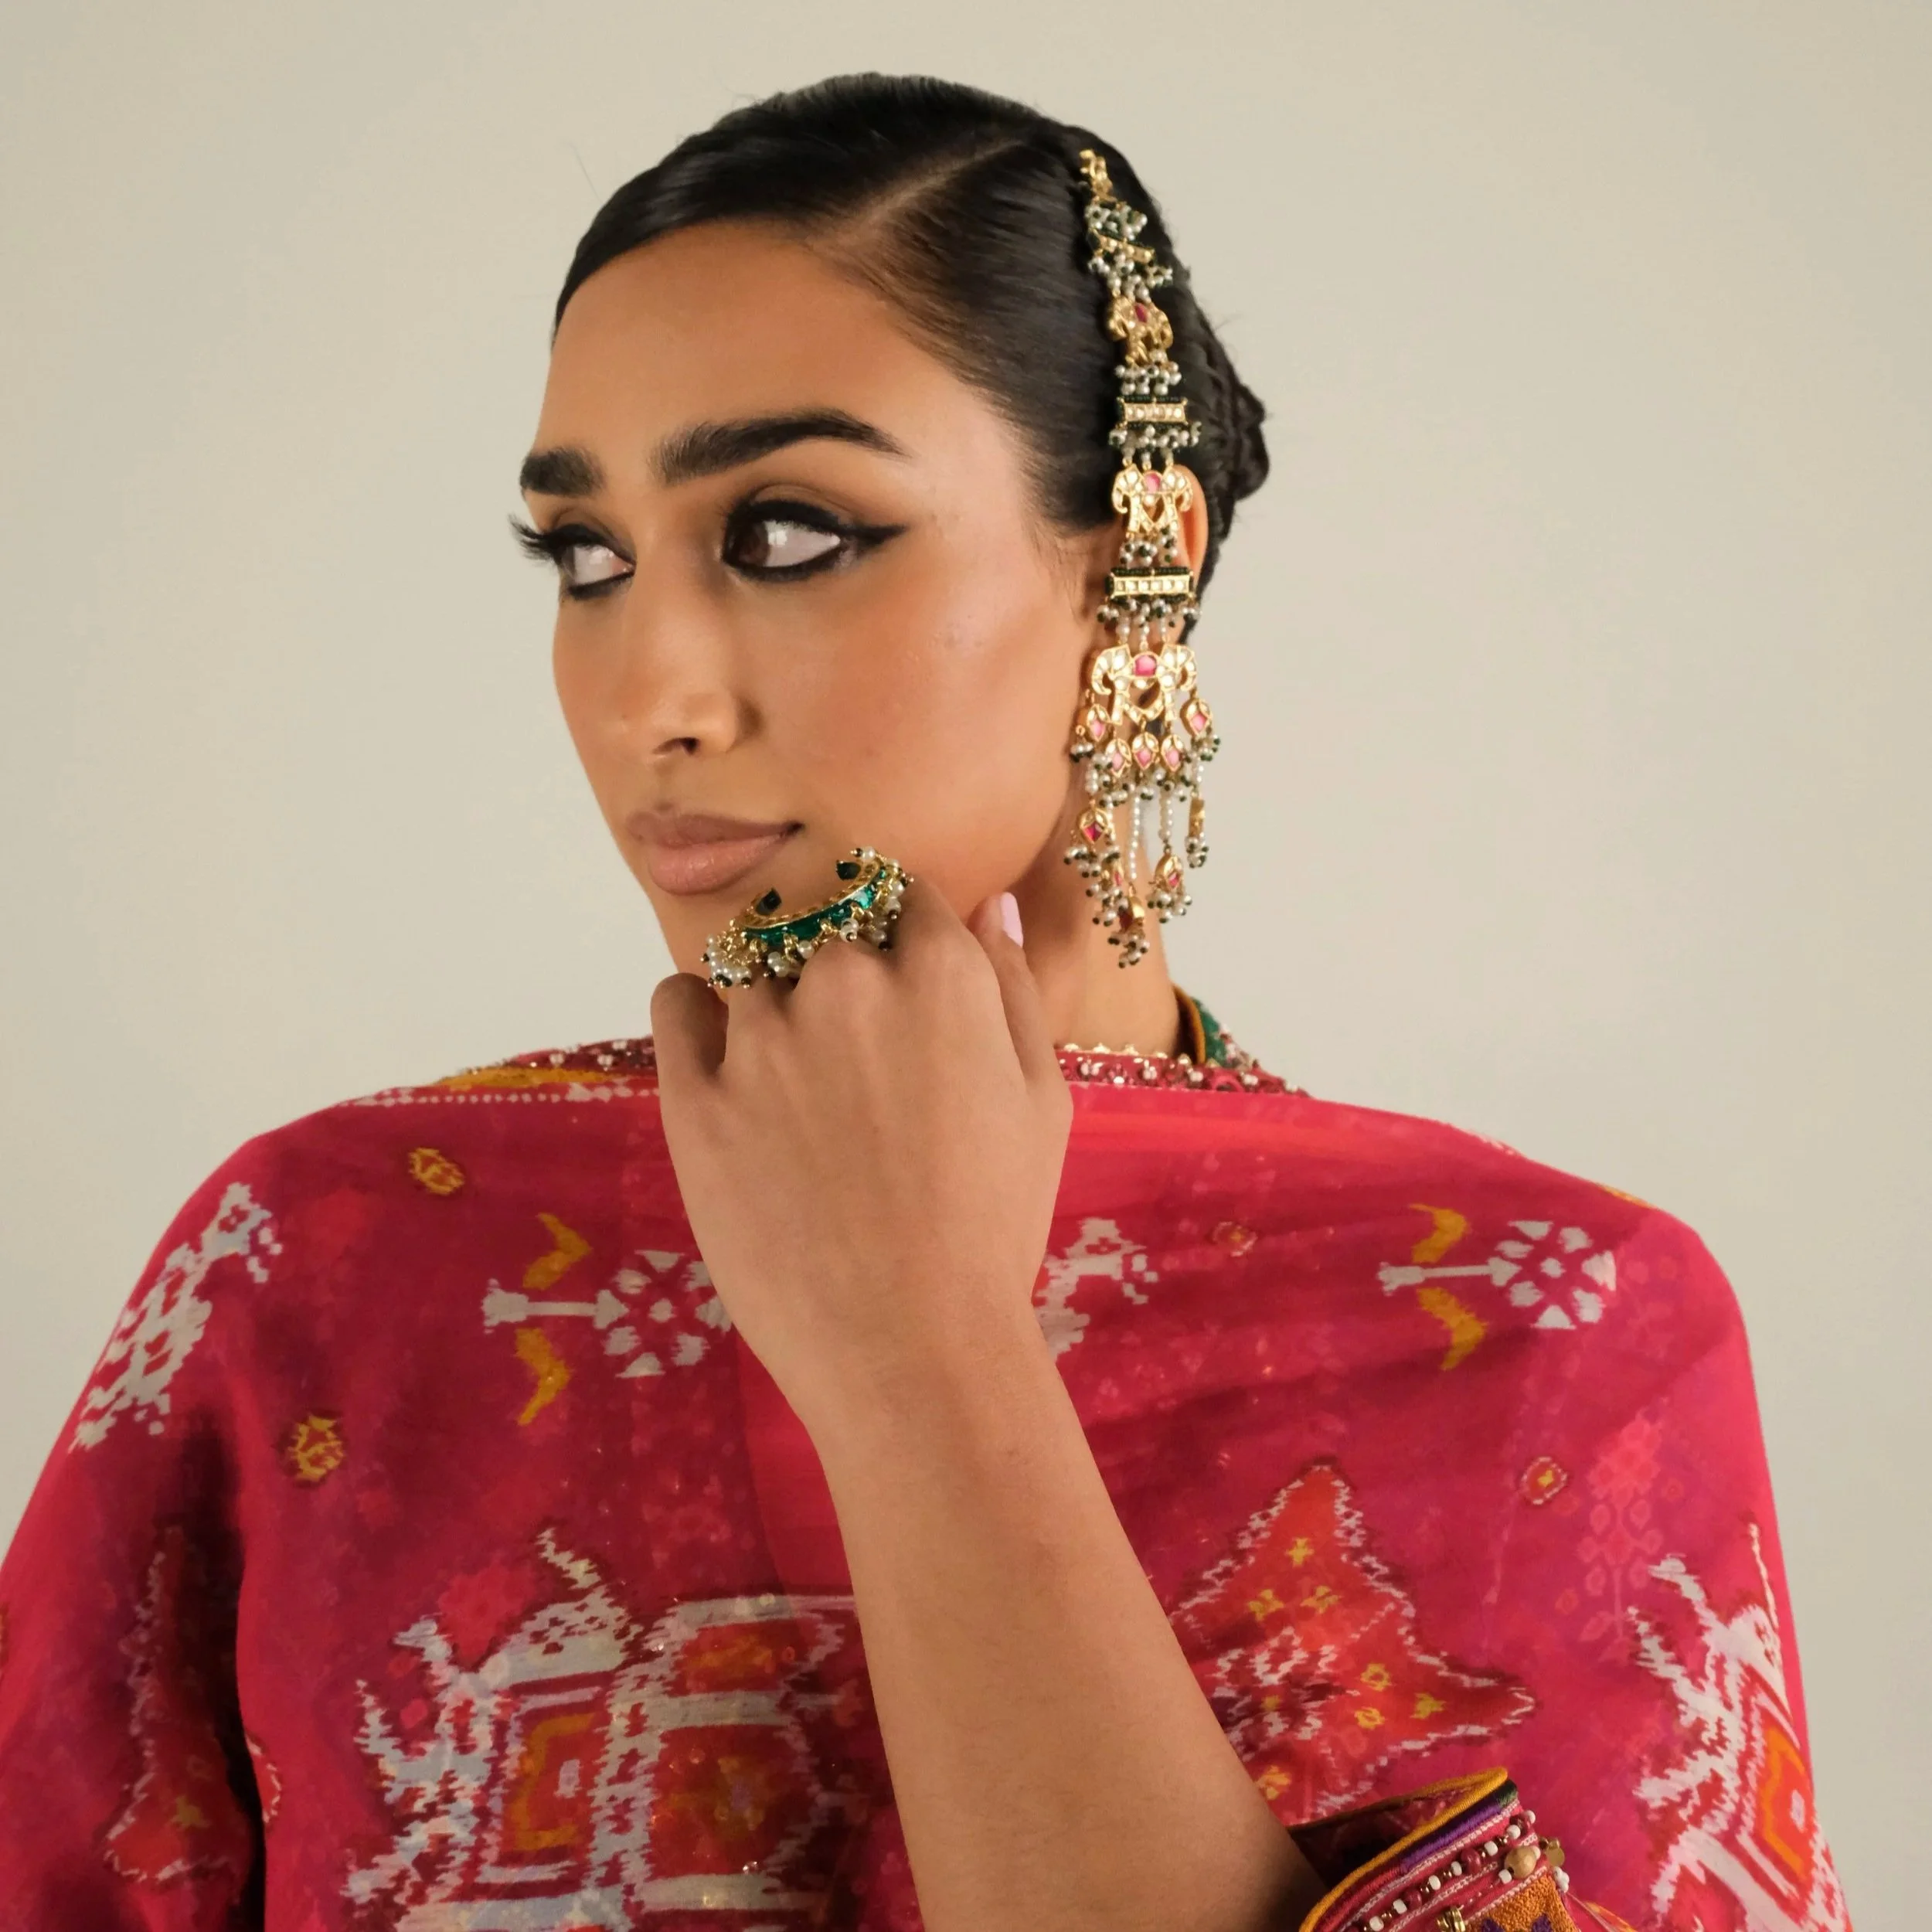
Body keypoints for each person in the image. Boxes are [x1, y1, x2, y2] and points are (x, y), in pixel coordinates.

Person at [0, 74, 1849, 1932]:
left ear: (1142, 553)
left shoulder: (1541, 1326)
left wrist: (922, 1363)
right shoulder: (327, 1272)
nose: (651, 689)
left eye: (789, 532)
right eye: (584, 556)